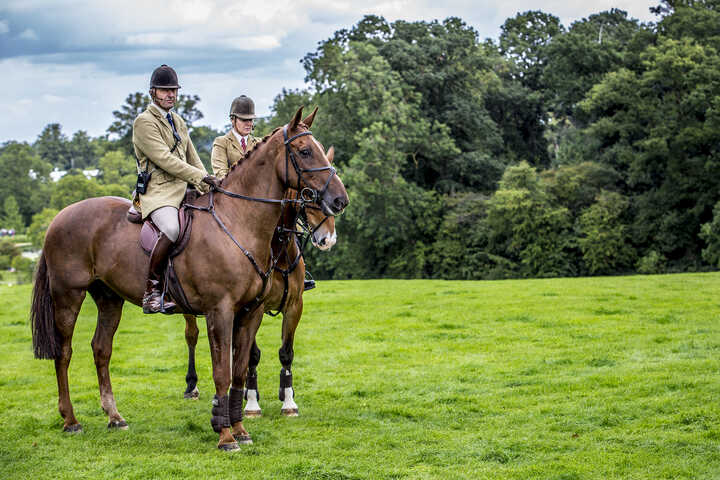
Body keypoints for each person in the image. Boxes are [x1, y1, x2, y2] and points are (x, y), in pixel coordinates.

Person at [132, 64, 221, 314]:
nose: (170, 94)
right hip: (158, 192)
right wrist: (200, 177)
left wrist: (208, 183)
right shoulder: (144, 123)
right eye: (164, 90)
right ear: (153, 92)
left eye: (173, 90)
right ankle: (152, 290)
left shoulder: (179, 121)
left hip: (184, 188)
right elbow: (166, 160)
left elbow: (192, 157)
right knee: (171, 228)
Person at [211, 95, 262, 179]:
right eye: (244, 120)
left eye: (251, 120)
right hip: (230, 190)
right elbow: (221, 175)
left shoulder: (259, 142)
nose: (249, 124)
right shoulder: (221, 142)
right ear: (232, 119)